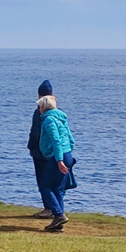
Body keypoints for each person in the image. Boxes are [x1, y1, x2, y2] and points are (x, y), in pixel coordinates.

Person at [37, 95, 75, 232]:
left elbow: (56, 140)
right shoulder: (62, 118)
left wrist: (59, 160)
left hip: (56, 156)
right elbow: (70, 139)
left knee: (45, 186)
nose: (38, 109)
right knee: (58, 188)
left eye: (39, 107)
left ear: (43, 107)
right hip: (67, 154)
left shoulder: (49, 120)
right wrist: (68, 155)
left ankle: (58, 215)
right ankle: (58, 223)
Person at [28, 80, 55, 218]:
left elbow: (35, 133)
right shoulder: (58, 111)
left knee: (42, 180)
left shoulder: (39, 112)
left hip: (40, 152)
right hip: (55, 152)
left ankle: (48, 208)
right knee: (54, 181)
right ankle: (56, 207)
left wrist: (31, 145)